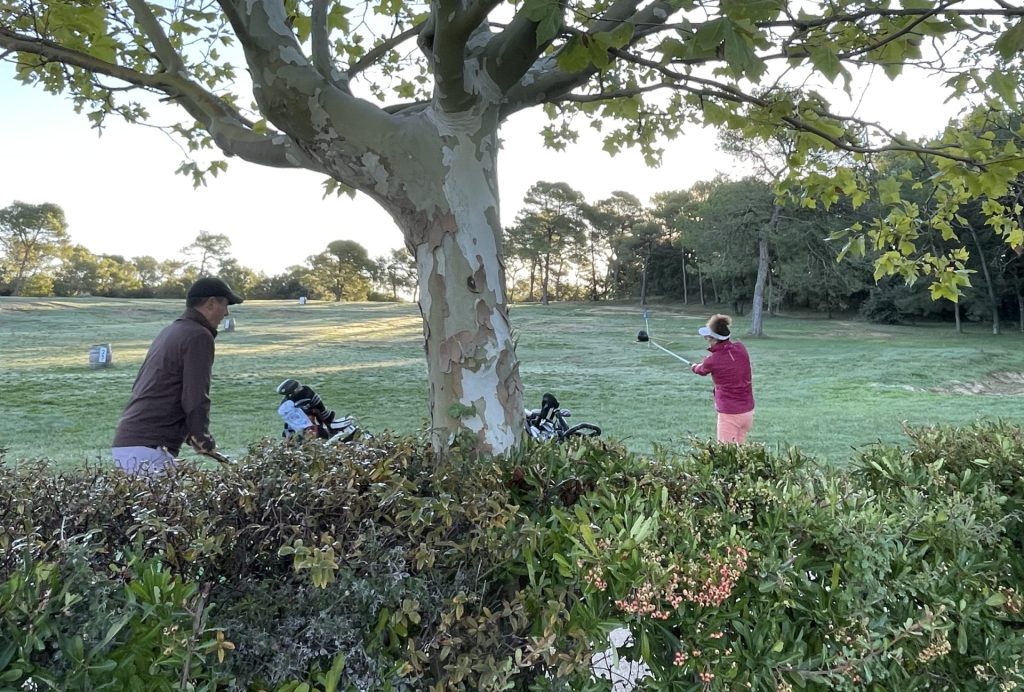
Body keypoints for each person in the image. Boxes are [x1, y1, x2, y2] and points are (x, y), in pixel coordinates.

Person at [111, 277, 243, 473]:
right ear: (211, 303)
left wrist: (190, 433)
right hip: (149, 448)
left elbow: (162, 387)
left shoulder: (173, 330)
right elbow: (195, 394)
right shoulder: (198, 335)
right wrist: (202, 436)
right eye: (225, 304)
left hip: (131, 443)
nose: (226, 312)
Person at [689, 314, 755, 443]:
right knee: (740, 453)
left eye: (708, 337)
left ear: (714, 339)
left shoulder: (712, 360)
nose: (707, 339)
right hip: (748, 411)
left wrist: (694, 367)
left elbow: (701, 370)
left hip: (730, 413)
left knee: (726, 454)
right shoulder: (741, 348)